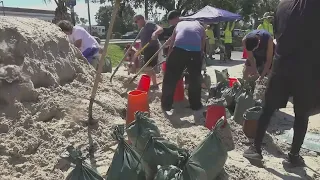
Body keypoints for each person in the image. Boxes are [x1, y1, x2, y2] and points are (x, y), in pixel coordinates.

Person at [243, 0, 320, 167]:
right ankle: (293, 156)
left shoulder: (282, 5)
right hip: (308, 69)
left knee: (268, 108)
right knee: (302, 114)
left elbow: (278, 35)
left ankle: (255, 149)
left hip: (282, 65)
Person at [161, 10, 206, 123]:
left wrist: (169, 56)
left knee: (170, 78)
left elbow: (172, 42)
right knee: (195, 79)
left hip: (179, 50)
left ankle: (166, 106)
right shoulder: (200, 26)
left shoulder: (179, 24)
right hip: (195, 52)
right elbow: (203, 41)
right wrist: (200, 54)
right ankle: (195, 105)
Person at [133, 15, 163, 89]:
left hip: (152, 48)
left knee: (148, 67)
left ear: (142, 19)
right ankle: (154, 85)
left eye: (136, 21)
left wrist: (155, 33)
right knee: (149, 68)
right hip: (147, 49)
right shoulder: (143, 29)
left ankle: (145, 85)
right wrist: (138, 52)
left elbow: (160, 29)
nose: (136, 23)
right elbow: (142, 43)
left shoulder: (149, 24)